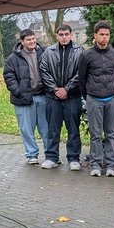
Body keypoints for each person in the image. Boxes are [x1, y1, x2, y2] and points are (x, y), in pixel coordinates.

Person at [78, 21, 114, 178]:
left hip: (112, 99)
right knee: (96, 134)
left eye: (107, 35)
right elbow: (81, 79)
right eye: (101, 34)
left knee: (111, 134)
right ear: (95, 36)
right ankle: (96, 164)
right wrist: (88, 96)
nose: (104, 38)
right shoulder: (86, 55)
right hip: (94, 99)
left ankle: (111, 165)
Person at [39, 24, 84, 170]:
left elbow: (81, 73)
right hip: (53, 98)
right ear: (57, 36)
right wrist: (55, 89)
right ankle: (51, 157)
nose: (64, 37)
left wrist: (67, 89)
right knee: (52, 129)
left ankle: (74, 159)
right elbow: (44, 71)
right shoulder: (48, 52)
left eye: (66, 34)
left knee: (73, 129)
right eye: (61, 34)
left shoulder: (80, 51)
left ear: (71, 35)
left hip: (73, 97)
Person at [3, 29, 47, 165]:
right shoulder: (13, 59)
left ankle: (50, 154)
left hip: (43, 96)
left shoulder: (44, 53)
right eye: (28, 39)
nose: (32, 41)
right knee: (26, 129)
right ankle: (31, 154)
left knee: (47, 128)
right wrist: (19, 92)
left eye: (33, 38)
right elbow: (9, 77)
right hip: (23, 99)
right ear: (22, 42)